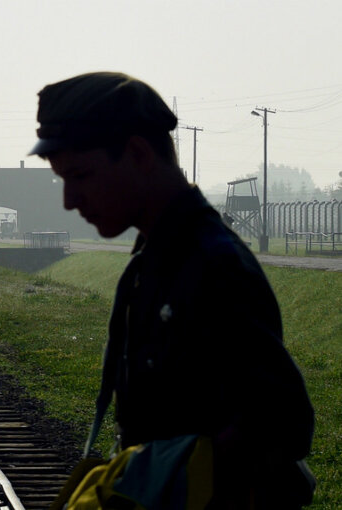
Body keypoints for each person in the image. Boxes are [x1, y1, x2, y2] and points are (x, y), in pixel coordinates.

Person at [29, 72, 314, 508]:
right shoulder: (157, 256)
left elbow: (280, 421)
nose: (70, 200)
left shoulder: (213, 265)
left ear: (139, 154)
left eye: (81, 175)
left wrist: (159, 484)